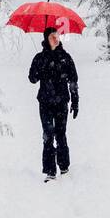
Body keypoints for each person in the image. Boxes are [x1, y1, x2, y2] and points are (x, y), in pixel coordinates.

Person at [28, 27, 79, 180]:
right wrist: (39, 68)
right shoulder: (39, 58)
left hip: (62, 102)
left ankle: (64, 167)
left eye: (57, 36)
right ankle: (50, 171)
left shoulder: (65, 57)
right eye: (52, 37)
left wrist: (75, 101)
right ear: (46, 39)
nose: (56, 39)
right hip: (45, 102)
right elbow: (32, 79)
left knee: (61, 134)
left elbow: (73, 80)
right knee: (48, 135)